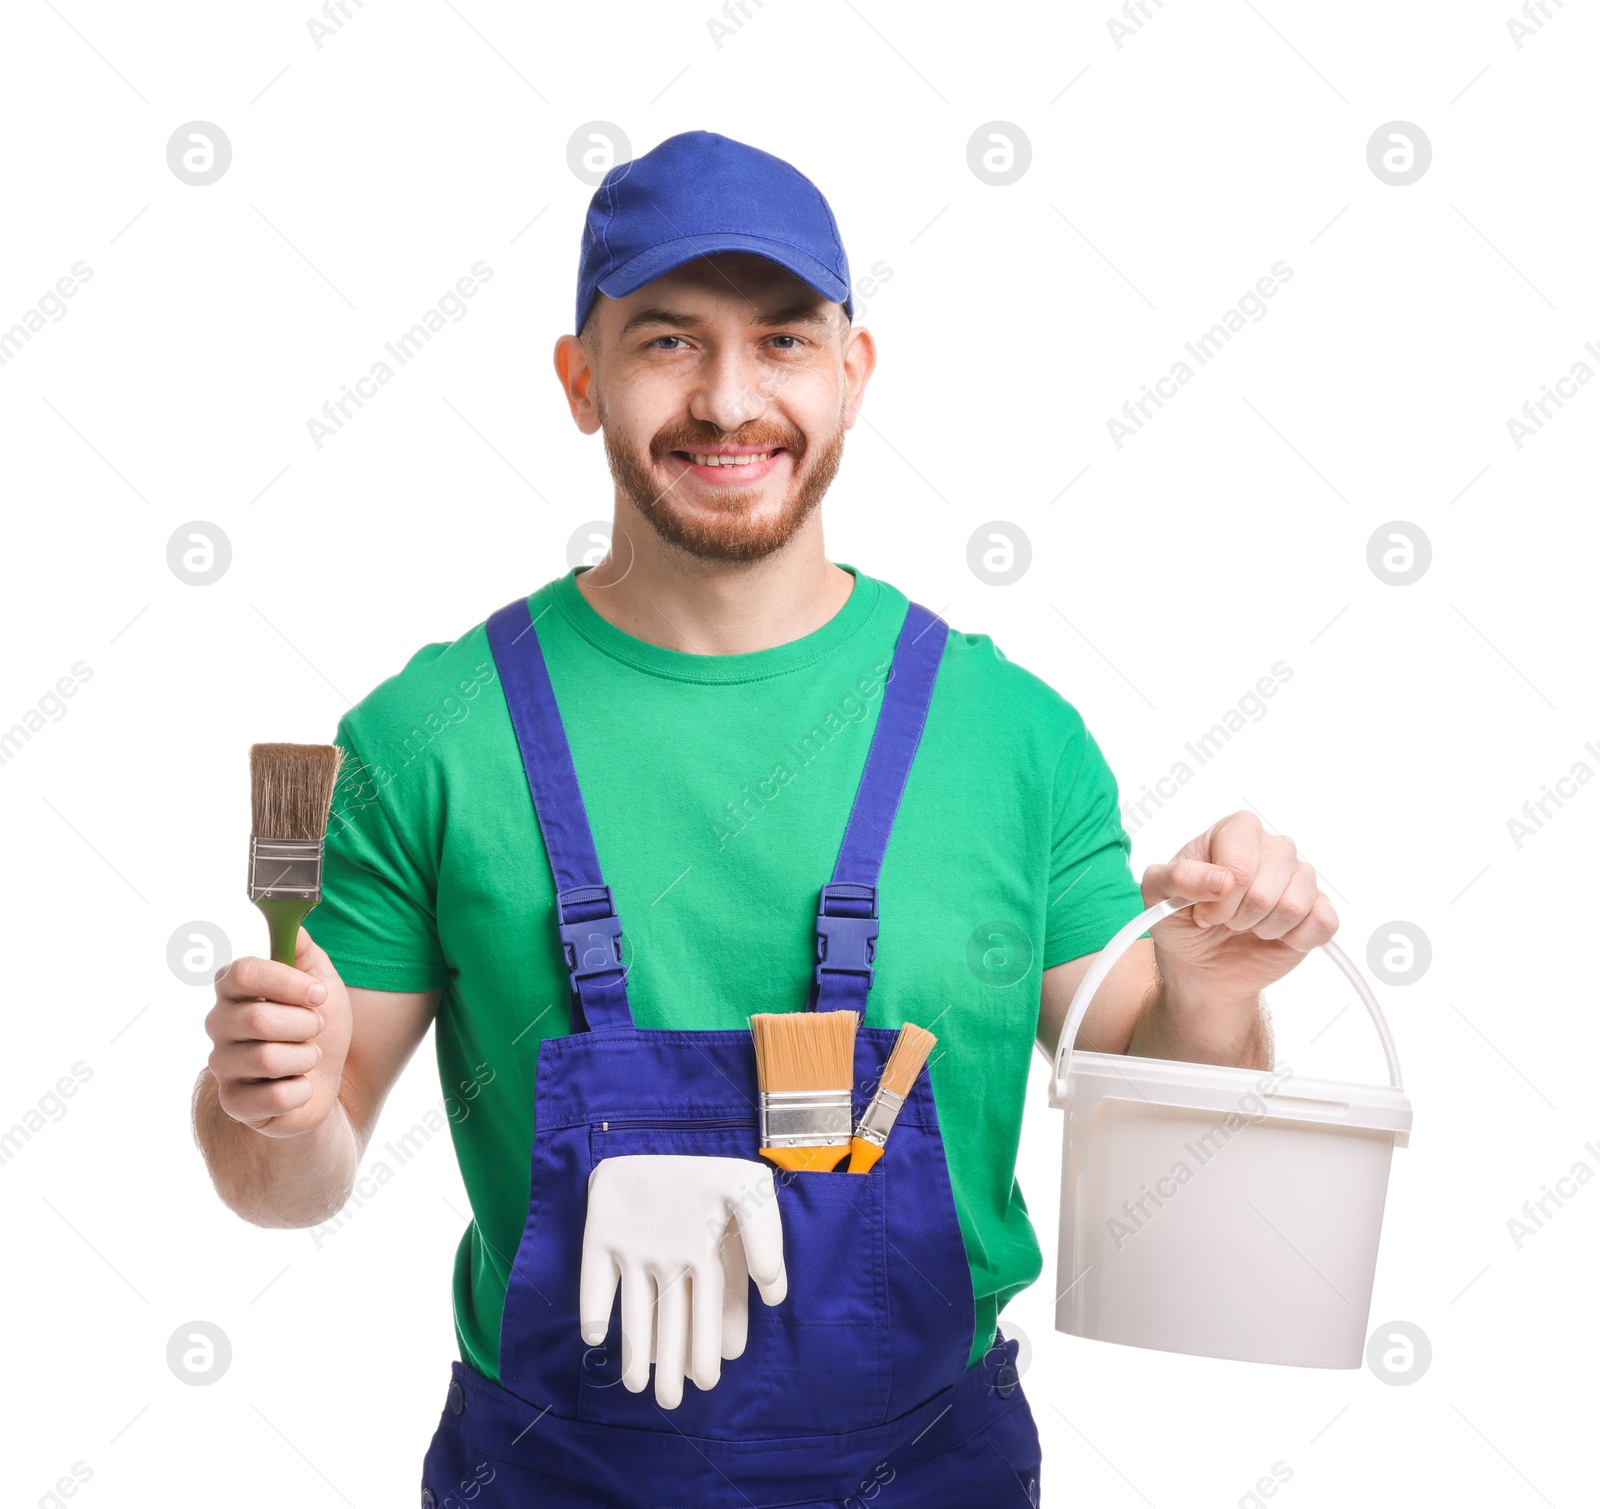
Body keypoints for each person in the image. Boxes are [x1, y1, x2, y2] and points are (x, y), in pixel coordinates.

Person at [193, 130, 1337, 1508]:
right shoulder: (431, 738)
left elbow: (1177, 1152)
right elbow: (287, 1184)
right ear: (580, 379)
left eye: (783, 341)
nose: (730, 400)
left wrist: (1212, 993)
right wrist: (270, 1099)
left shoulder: (1013, 740)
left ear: (854, 372)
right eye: (668, 341)